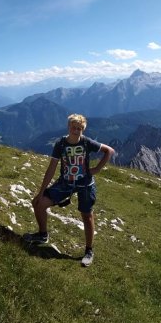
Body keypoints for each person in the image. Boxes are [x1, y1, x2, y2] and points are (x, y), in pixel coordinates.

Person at [25, 114, 115, 267]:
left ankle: (89, 250)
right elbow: (51, 168)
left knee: (87, 216)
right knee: (38, 203)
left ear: (83, 130)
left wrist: (97, 169)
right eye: (73, 127)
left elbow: (109, 151)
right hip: (65, 183)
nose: (76, 131)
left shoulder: (86, 142)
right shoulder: (60, 144)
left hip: (85, 184)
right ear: (68, 127)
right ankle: (42, 235)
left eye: (79, 128)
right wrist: (41, 192)